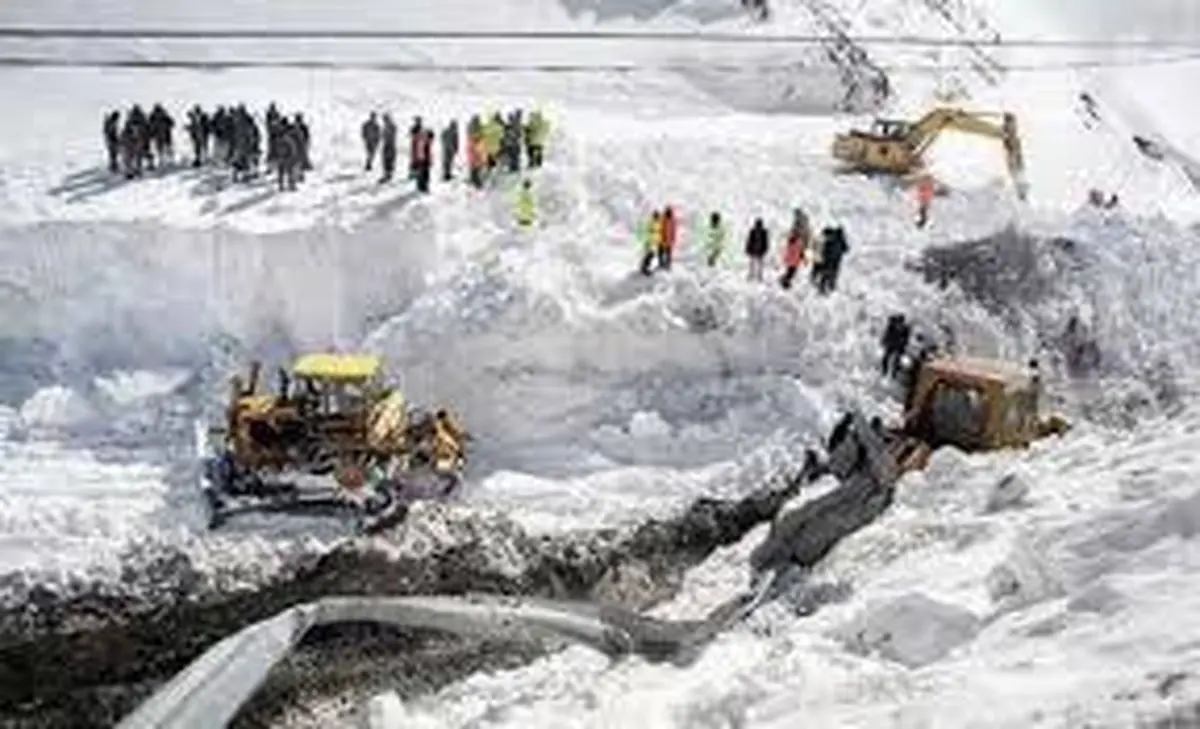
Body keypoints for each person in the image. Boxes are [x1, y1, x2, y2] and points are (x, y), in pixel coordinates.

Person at [639, 210, 662, 275]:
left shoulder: (654, 223)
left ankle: (649, 267)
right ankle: (645, 268)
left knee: (654, 255)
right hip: (651, 242)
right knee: (650, 255)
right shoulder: (653, 224)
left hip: (654, 242)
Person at [379, 113, 398, 183]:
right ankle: (387, 175)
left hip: (390, 145)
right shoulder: (385, 127)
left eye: (385, 119)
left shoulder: (392, 126)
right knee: (385, 161)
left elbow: (391, 135)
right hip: (386, 145)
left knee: (389, 161)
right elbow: (382, 136)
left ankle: (388, 175)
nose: (384, 121)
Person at [658, 205, 678, 270]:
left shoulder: (672, 220)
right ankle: (662, 264)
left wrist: (673, 239)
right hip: (662, 239)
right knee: (662, 252)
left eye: (669, 211)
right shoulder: (663, 219)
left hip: (667, 240)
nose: (668, 212)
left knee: (667, 253)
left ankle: (667, 264)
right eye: (667, 211)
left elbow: (673, 230)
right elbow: (659, 229)